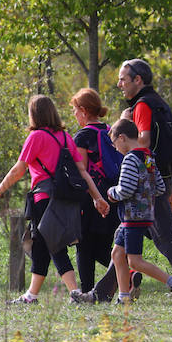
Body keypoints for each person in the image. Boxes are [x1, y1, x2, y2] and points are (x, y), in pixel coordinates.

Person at [0, 94, 110, 304]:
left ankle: (75, 293)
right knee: (40, 245)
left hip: (44, 199)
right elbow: (82, 171)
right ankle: (31, 296)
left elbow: (18, 170)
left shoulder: (36, 137)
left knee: (55, 245)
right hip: (65, 199)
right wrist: (96, 197)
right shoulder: (65, 137)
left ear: (34, 114)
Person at [110, 59, 172, 303]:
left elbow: (145, 141)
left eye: (123, 79)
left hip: (145, 186)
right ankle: (114, 294)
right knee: (121, 249)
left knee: (168, 242)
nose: (120, 84)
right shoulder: (160, 103)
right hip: (161, 177)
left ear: (138, 80)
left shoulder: (143, 105)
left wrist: (126, 137)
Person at [105, 118, 172, 302]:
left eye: (115, 143)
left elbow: (125, 190)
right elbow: (160, 188)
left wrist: (111, 192)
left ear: (122, 138)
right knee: (117, 254)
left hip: (133, 217)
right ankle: (124, 297)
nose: (115, 148)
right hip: (141, 215)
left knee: (134, 261)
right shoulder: (148, 157)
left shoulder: (129, 160)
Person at [69, 89, 120, 299]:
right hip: (114, 194)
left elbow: (82, 171)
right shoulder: (110, 130)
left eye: (74, 110)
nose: (74, 114)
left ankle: (87, 291)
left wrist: (93, 197)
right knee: (105, 244)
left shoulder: (83, 136)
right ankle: (124, 272)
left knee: (84, 245)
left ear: (83, 110)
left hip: (93, 197)